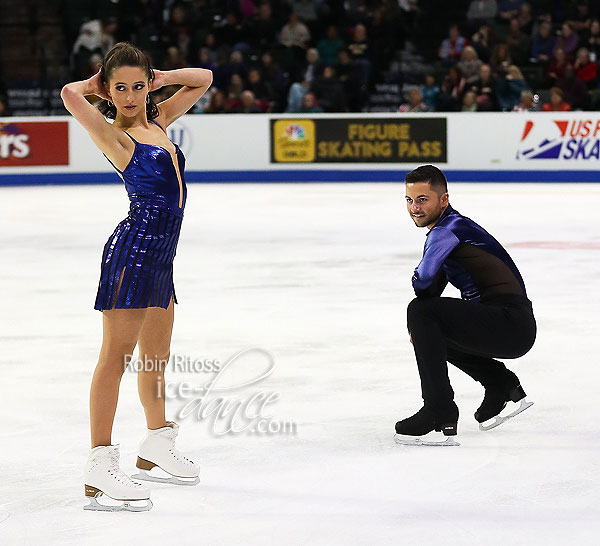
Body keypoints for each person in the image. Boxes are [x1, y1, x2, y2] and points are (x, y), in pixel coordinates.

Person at [61, 42, 213, 510]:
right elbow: (69, 94)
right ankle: (100, 464)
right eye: (119, 88)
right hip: (133, 252)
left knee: (155, 357)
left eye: (137, 85)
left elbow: (203, 77)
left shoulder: (158, 122)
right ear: (108, 91)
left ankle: (155, 441)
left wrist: (161, 77)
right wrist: (94, 86)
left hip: (162, 257)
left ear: (150, 84)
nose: (128, 96)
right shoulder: (115, 136)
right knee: (116, 357)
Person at [395, 165, 536, 446]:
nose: (415, 208)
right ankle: (500, 384)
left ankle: (439, 409)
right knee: (426, 323)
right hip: (510, 324)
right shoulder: (452, 231)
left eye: (423, 199)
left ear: (443, 200)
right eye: (409, 200)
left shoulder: (448, 230)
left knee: (420, 312)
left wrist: (421, 322)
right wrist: (422, 333)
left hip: (509, 322)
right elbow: (432, 291)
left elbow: (422, 285)